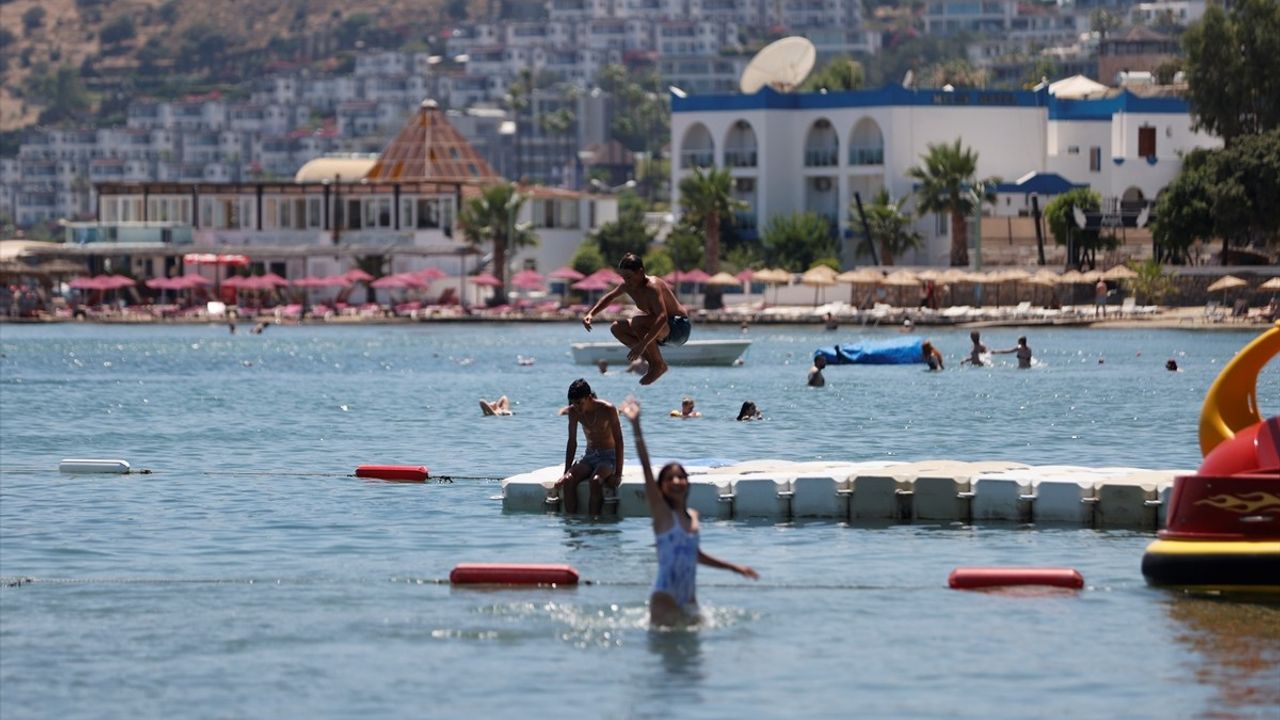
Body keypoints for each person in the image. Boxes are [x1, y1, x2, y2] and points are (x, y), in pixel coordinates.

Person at [618, 397, 758, 626]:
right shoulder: (662, 514)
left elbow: (694, 554)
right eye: (670, 478)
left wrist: (735, 567)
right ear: (661, 487)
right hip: (665, 599)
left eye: (681, 477)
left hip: (689, 600)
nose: (676, 481)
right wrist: (635, 426)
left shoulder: (693, 516)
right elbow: (645, 466)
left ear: (687, 483)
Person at [582, 253, 689, 386]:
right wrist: (591, 314)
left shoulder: (653, 286)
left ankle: (658, 365)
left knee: (638, 322)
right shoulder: (627, 286)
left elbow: (662, 317)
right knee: (617, 328)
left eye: (629, 277)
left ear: (641, 272)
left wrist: (642, 344)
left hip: (678, 328)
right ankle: (654, 363)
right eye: (623, 277)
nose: (627, 281)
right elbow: (610, 297)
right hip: (662, 332)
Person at [557, 379, 623, 515]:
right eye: (574, 404)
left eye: (580, 403)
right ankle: (571, 523)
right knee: (568, 480)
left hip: (609, 456)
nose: (578, 408)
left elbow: (619, 441)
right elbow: (572, 441)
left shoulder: (608, 409)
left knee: (595, 481)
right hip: (589, 456)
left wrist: (618, 473)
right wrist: (566, 470)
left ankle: (594, 522)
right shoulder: (573, 412)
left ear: (589, 398)